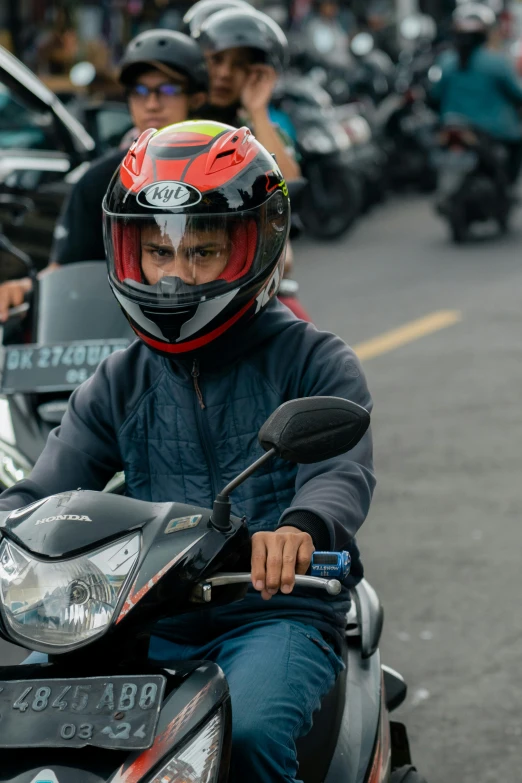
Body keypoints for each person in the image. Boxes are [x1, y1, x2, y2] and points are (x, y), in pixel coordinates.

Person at [0, 121, 375, 783]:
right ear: (128, 253)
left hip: (274, 612)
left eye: (201, 252)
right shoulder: (119, 380)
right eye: (159, 253)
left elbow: (339, 473)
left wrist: (298, 527)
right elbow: (41, 492)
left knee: (249, 734)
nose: (175, 276)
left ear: (253, 247)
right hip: (139, 615)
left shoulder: (314, 359)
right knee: (16, 725)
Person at [0, 29, 207, 321]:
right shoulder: (100, 180)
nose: (151, 103)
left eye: (169, 90)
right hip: (123, 328)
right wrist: (26, 287)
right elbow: (66, 269)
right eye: (140, 91)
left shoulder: (223, 169)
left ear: (196, 98)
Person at [196, 8, 301, 181]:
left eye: (239, 64)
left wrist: (257, 110)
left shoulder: (260, 129)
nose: (225, 73)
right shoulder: (174, 118)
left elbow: (288, 186)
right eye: (216, 59)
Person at [430, 3, 522, 183]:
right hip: (495, 129)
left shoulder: (446, 61)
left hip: (452, 124)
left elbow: (435, 95)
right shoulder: (497, 62)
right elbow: (517, 94)